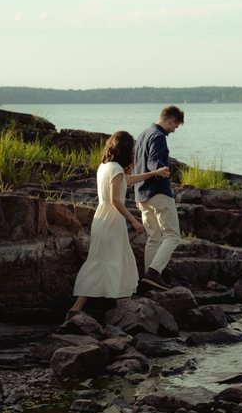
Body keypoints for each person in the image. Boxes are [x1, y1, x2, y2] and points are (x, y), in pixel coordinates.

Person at [67, 132, 170, 317]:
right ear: (125, 149)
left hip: (103, 218)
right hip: (111, 220)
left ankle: (112, 304)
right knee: (110, 260)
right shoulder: (115, 169)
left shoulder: (105, 166)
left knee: (108, 259)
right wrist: (134, 220)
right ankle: (88, 307)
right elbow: (116, 200)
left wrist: (153, 173)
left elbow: (128, 180)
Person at [134, 105, 184, 290]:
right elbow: (152, 161)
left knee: (153, 238)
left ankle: (148, 280)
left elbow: (139, 162)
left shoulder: (142, 135)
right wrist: (161, 169)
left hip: (141, 194)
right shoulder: (159, 136)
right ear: (171, 120)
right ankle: (154, 272)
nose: (174, 130)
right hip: (159, 192)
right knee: (172, 236)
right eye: (175, 126)